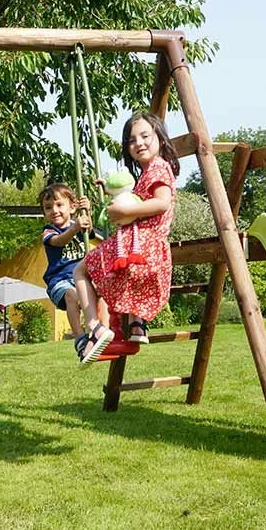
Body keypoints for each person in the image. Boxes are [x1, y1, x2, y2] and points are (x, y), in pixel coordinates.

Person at [72, 111, 179, 365]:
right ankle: (135, 328)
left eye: (145, 136)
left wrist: (124, 211)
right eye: (132, 140)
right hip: (143, 250)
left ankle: (95, 327)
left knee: (81, 272)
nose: (139, 143)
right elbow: (130, 193)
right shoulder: (147, 173)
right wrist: (109, 188)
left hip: (140, 247)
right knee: (115, 283)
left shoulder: (159, 168)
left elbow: (162, 203)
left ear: (160, 139)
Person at [39, 183, 109, 353]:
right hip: (60, 281)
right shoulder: (48, 231)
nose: (54, 210)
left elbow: (89, 231)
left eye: (59, 205)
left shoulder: (77, 224)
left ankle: (104, 332)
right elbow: (59, 241)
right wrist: (75, 227)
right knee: (72, 295)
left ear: (72, 207)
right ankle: (79, 338)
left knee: (102, 292)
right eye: (48, 208)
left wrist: (87, 212)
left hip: (82, 278)